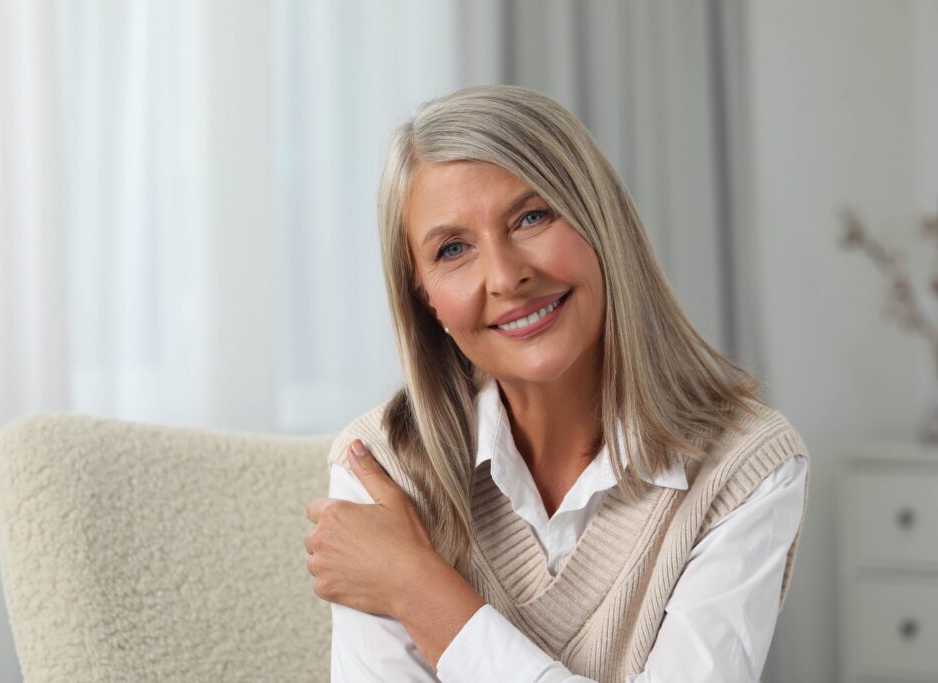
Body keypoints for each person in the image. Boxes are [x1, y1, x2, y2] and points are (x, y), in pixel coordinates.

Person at [304, 85, 809, 683]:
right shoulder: (381, 469)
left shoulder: (747, 467)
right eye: (454, 248)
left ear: (601, 222)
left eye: (532, 216)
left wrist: (418, 589)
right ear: (423, 294)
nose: (506, 275)